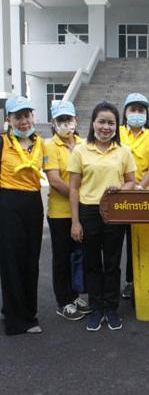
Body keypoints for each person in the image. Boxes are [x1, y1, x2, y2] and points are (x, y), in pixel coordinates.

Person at [68, 102, 136, 331]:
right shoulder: (80, 150)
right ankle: (96, 308)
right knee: (92, 263)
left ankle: (111, 309)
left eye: (111, 123)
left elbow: (131, 182)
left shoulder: (123, 151)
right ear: (93, 123)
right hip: (88, 212)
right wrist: (75, 222)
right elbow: (74, 188)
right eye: (102, 122)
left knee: (113, 263)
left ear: (117, 126)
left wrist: (120, 189)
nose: (106, 127)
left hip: (115, 212)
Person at [0, 96, 44, 335]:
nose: (24, 121)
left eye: (27, 115)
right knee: (11, 261)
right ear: (9, 119)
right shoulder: (3, 142)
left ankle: (26, 311)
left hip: (33, 204)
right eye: (18, 117)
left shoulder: (40, 143)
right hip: (8, 203)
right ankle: (17, 321)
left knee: (30, 260)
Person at [44, 101, 91, 321]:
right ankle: (63, 301)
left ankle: (75, 295)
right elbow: (54, 180)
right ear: (53, 123)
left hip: (82, 212)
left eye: (68, 119)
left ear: (76, 120)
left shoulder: (84, 144)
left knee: (78, 256)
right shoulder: (50, 146)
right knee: (62, 258)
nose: (65, 124)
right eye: (61, 120)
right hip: (61, 213)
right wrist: (78, 198)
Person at [119, 93, 149, 300]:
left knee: (136, 241)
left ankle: (132, 281)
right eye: (133, 109)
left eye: (141, 110)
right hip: (117, 195)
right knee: (113, 241)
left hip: (141, 196)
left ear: (146, 113)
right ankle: (111, 283)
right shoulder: (117, 132)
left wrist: (139, 187)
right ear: (125, 112)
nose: (137, 113)